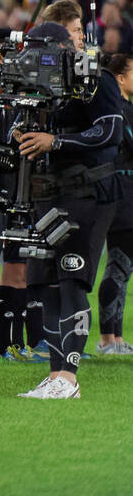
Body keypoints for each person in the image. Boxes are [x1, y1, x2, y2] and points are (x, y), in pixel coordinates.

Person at [13, 22, 124, 399]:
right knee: (45, 285)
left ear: (63, 48)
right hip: (48, 193)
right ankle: (55, 374)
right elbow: (19, 125)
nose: (34, 59)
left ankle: (70, 378)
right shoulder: (37, 86)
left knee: (71, 280)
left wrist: (55, 141)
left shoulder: (96, 80)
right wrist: (19, 132)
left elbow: (110, 131)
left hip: (89, 193)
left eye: (42, 51)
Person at [97, 52, 133, 355]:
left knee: (124, 266)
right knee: (118, 265)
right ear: (119, 78)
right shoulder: (118, 109)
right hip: (120, 193)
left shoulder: (127, 107)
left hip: (127, 191)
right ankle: (107, 338)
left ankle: (117, 338)